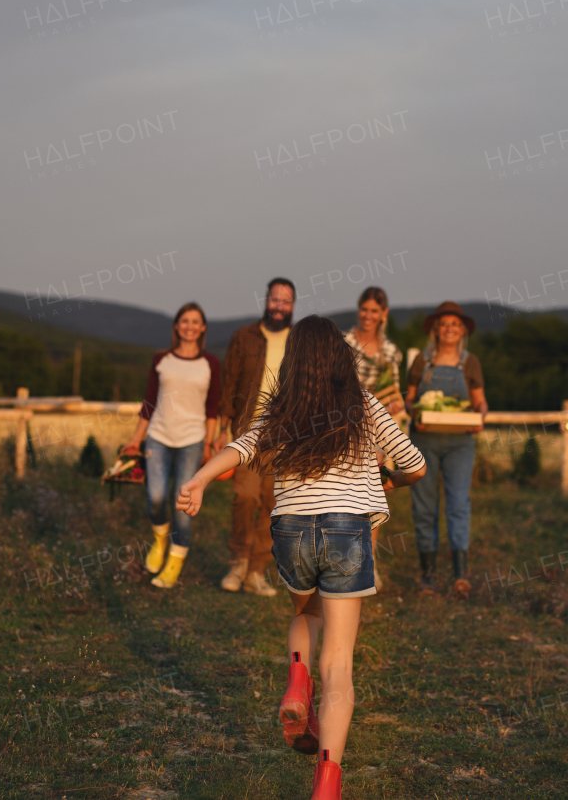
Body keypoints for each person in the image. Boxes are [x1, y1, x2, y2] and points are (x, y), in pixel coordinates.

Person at [178, 316, 425, 800]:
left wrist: (200, 480)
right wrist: (388, 482)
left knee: (304, 615)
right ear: (340, 357)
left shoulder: (283, 409)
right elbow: (413, 464)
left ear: (295, 361)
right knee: (339, 663)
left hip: (291, 529)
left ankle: (296, 681)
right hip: (346, 529)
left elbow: (241, 447)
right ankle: (327, 784)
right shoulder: (364, 405)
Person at [122, 303, 221, 589]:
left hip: (192, 439)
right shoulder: (160, 359)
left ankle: (175, 559)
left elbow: (212, 407)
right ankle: (160, 539)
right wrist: (135, 439)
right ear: (176, 326)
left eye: (195, 322)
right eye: (184, 321)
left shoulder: (211, 363)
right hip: (158, 436)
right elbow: (149, 401)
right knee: (155, 497)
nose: (190, 326)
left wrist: (208, 443)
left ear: (202, 328)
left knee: (182, 504)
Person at [213, 277, 295, 597]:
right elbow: (229, 382)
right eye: (274, 299)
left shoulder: (299, 342)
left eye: (285, 301)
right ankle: (238, 561)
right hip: (247, 430)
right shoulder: (244, 337)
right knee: (245, 497)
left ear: (292, 306)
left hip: (285, 435)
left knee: (274, 504)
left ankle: (257, 570)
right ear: (265, 301)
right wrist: (222, 429)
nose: (278, 306)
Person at [404, 302, 488, 594]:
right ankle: (428, 576)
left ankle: (460, 574)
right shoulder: (422, 362)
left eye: (455, 324)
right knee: (425, 507)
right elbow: (410, 399)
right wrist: (416, 414)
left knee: (458, 504)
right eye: (444, 324)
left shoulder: (470, 363)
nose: (449, 329)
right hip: (423, 440)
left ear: (462, 329)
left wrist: (481, 417)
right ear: (435, 330)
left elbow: (479, 401)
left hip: (460, 443)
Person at [343, 287, 404, 591]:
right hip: (346, 429)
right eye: (363, 310)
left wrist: (394, 405)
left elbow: (395, 392)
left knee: (373, 498)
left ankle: (370, 564)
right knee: (343, 498)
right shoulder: (345, 343)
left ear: (384, 314)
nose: (367, 316)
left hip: (377, 434)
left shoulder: (392, 352)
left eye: (374, 311)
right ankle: (341, 560)